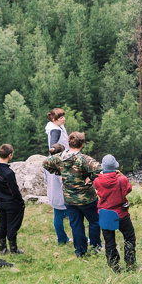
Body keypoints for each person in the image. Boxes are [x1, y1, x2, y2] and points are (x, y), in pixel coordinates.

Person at [43, 131, 102, 257]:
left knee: (76, 224)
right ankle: (95, 247)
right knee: (94, 222)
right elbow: (98, 169)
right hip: (87, 198)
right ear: (82, 144)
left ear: (69, 143)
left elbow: (45, 163)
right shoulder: (83, 159)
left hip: (69, 199)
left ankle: (80, 251)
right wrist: (90, 178)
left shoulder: (60, 157)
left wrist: (59, 172)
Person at [94, 154, 137, 272]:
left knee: (109, 241)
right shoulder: (121, 179)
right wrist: (120, 175)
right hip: (121, 214)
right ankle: (130, 264)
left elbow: (99, 189)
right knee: (129, 237)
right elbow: (128, 189)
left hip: (105, 214)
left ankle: (114, 266)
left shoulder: (97, 181)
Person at [0, 144, 25, 255]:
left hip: (0, 201)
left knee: (2, 223)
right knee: (12, 225)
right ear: (10, 155)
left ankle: (2, 248)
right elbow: (14, 190)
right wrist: (21, 202)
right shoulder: (8, 173)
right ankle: (13, 250)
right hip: (11, 203)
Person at [44, 107, 69, 245]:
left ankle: (63, 239)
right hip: (60, 164)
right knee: (60, 211)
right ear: (54, 120)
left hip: (57, 163)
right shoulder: (55, 130)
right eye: (60, 117)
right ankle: (62, 239)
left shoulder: (58, 127)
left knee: (59, 211)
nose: (63, 119)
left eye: (64, 116)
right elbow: (53, 146)